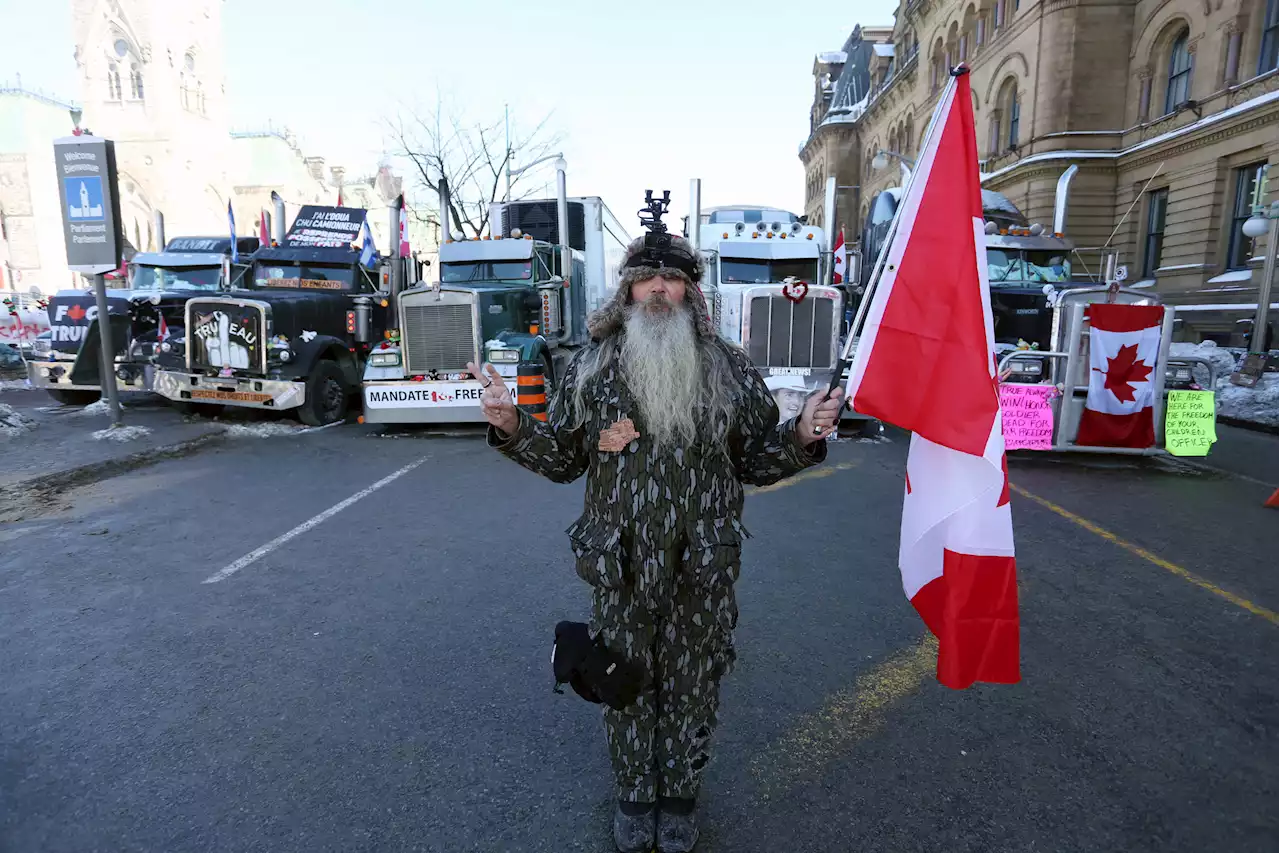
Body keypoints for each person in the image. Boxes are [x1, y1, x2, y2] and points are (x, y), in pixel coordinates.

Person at [468, 233, 844, 853]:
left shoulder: (726, 366)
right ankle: (634, 796)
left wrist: (802, 435)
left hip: (704, 561)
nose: (659, 291)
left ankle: (678, 798)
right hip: (619, 562)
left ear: (691, 292)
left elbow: (756, 459)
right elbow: (563, 459)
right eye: (647, 280)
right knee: (626, 678)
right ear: (628, 291)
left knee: (694, 681)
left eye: (671, 280)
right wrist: (512, 427)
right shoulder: (591, 367)